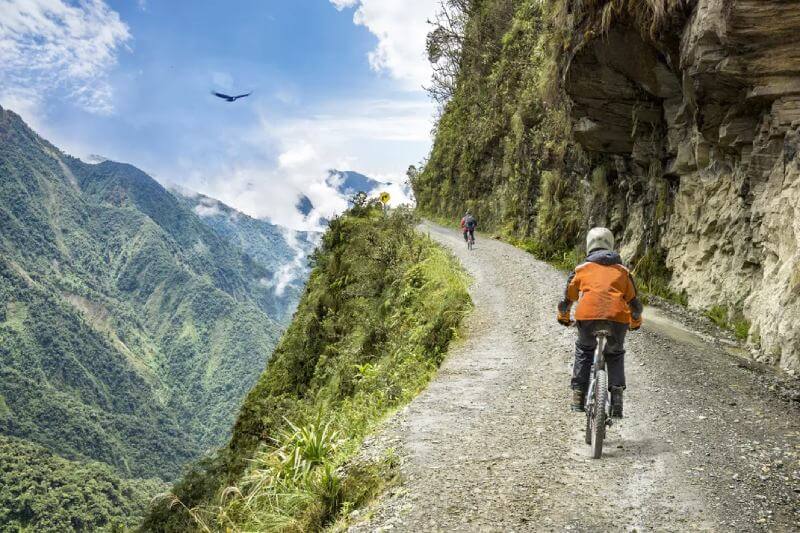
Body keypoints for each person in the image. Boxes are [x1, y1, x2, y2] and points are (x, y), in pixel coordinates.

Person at [556, 227, 643, 418]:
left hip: (587, 317)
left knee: (584, 350)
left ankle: (578, 396)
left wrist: (563, 316)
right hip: (617, 319)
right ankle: (617, 399)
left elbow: (567, 298)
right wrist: (635, 321)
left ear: (589, 245)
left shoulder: (581, 269)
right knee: (615, 353)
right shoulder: (623, 271)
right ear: (611, 245)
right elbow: (634, 303)